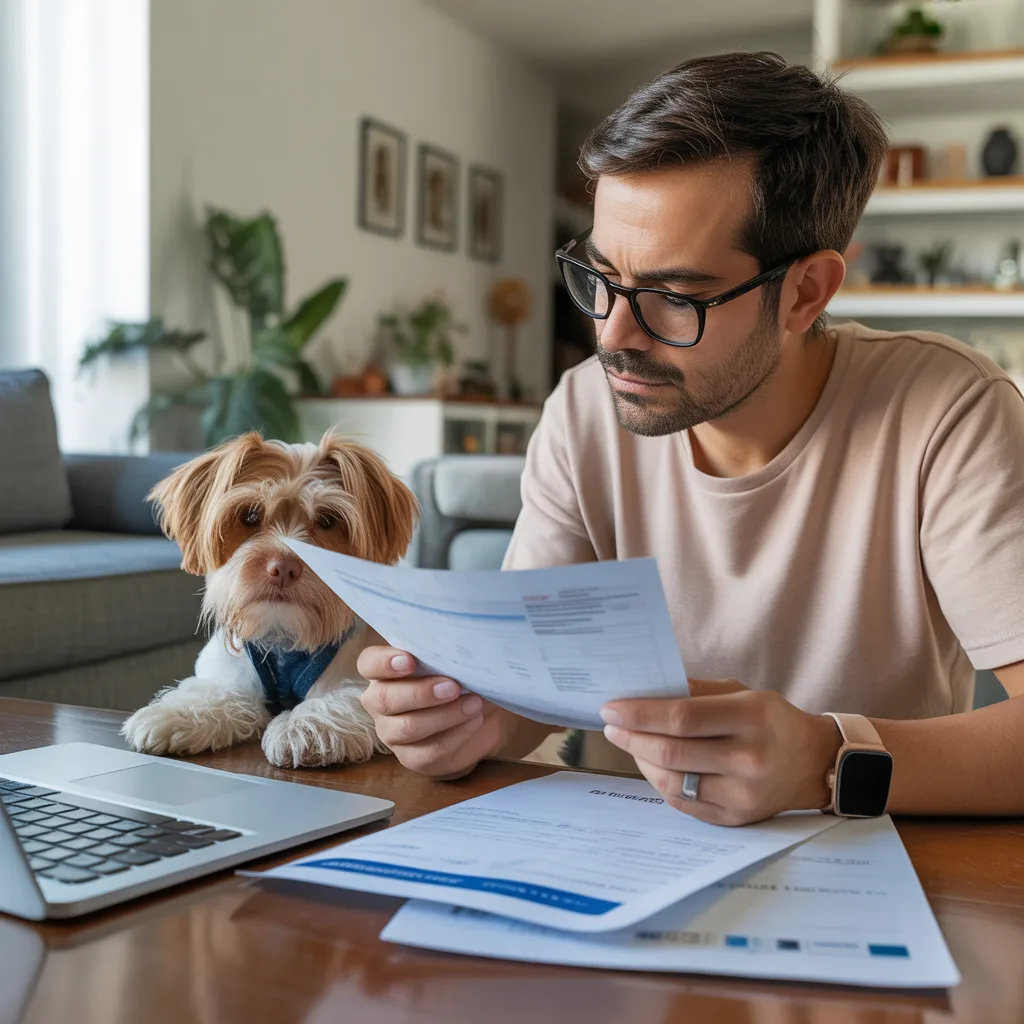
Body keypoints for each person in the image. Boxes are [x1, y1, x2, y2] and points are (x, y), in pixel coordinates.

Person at [358, 52, 1024, 825]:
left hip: (873, 863)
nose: (613, 336)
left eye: (675, 296)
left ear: (806, 292)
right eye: (601, 276)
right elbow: (533, 689)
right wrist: (464, 720)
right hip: (618, 853)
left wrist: (826, 761)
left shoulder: (949, 412)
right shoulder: (584, 410)